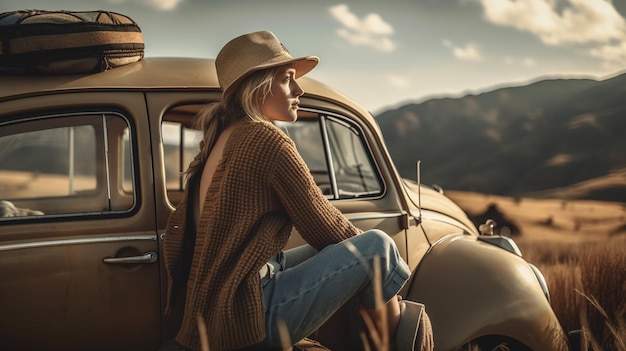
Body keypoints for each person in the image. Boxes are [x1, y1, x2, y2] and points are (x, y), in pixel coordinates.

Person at [161, 30, 432, 351]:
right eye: (288, 78)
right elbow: (326, 227)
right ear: (258, 85)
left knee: (357, 252)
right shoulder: (265, 139)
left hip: (215, 308)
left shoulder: (223, 136)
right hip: (244, 315)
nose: (299, 89)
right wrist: (386, 280)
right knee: (377, 247)